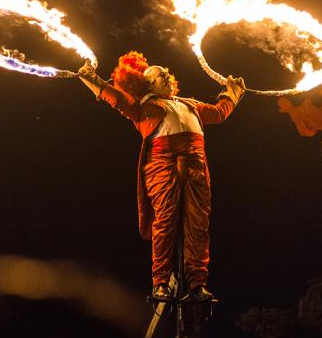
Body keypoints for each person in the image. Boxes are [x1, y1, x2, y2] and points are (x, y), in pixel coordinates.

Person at [78, 52, 245, 301]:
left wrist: (233, 92)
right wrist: (90, 78)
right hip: (162, 166)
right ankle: (161, 284)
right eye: (159, 75)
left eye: (167, 73)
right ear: (147, 84)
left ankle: (198, 285)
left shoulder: (190, 104)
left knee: (198, 224)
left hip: (196, 167)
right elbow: (113, 97)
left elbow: (219, 113)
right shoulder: (141, 107)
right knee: (165, 222)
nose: (166, 75)